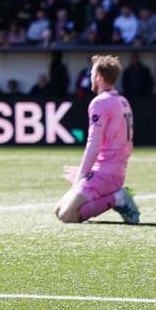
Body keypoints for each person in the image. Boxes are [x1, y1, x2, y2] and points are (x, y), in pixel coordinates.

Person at [55, 55, 139, 225]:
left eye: (92, 72)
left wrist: (82, 176)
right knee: (58, 210)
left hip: (106, 174)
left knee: (66, 215)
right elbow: (126, 144)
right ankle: (115, 195)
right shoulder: (123, 101)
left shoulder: (100, 102)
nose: (90, 76)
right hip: (113, 172)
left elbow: (93, 144)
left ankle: (117, 198)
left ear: (99, 77)